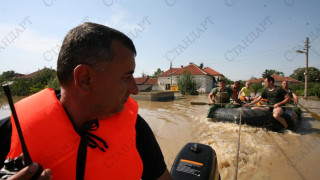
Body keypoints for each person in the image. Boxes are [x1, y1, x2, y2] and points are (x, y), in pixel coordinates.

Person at [0, 22, 172, 180]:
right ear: (85, 79)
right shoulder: (9, 132)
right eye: (127, 77)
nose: (135, 89)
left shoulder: (136, 128)